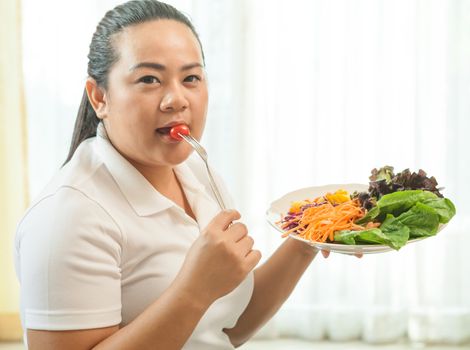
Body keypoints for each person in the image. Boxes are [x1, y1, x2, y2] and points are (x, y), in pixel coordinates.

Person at [14, 1, 328, 349]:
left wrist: (310, 237)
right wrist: (194, 290)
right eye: (149, 79)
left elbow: (225, 329)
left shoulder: (194, 170)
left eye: (191, 78)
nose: (176, 100)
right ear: (99, 97)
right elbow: (197, 300)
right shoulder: (66, 217)